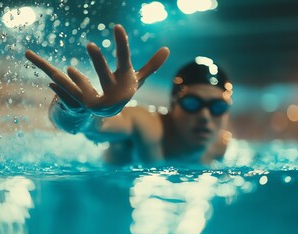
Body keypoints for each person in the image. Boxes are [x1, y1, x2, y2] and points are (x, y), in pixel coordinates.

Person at [25, 24, 232, 165]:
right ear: (173, 105)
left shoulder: (219, 146)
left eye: (217, 107)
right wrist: (77, 112)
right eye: (193, 104)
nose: (205, 117)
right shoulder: (146, 125)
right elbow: (90, 128)